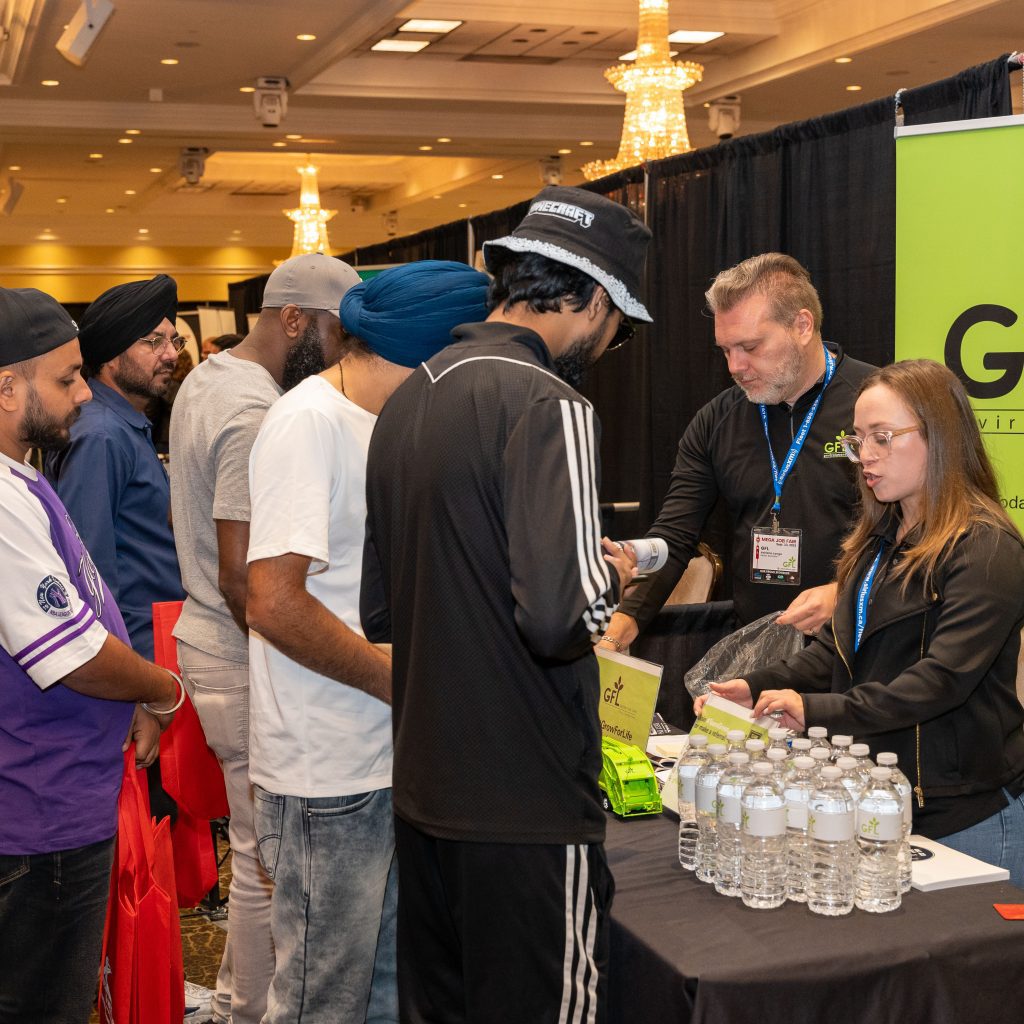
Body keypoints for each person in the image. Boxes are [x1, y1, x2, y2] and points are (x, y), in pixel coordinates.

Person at [360, 186, 649, 1024]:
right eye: (618, 325)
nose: (609, 344)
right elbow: (561, 620)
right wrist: (608, 580)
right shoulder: (550, 402)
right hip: (527, 800)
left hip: (426, 789)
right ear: (594, 301)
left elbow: (383, 612)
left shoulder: (406, 399)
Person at [245, 260, 490, 1024]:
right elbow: (273, 601)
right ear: (430, 354)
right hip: (326, 772)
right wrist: (400, 681)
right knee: (321, 1000)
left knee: (387, 992)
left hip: (389, 756)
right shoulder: (307, 424)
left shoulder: (392, 420)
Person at [698, 359, 1024, 886]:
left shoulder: (986, 548)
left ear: (940, 436)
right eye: (857, 439)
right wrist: (755, 687)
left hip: (967, 815)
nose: (865, 455)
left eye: (882, 437)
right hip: (885, 802)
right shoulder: (877, 541)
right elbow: (836, 651)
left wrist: (814, 710)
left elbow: (940, 681)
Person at [169, 253, 361, 1024]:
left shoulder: (209, 377)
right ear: (293, 320)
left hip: (211, 645)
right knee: (266, 866)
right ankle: (244, 1012)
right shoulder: (256, 410)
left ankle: (233, 1003)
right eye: (338, 334)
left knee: (256, 860)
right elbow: (243, 579)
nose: (346, 353)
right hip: (240, 652)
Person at [0, 286, 182, 1023]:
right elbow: (72, 654)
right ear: (7, 389)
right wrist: (160, 688)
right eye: (68, 377)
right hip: (37, 811)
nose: (83, 394)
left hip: (56, 793)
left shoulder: (22, 474)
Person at [600, 253, 875, 656]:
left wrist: (845, 594)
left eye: (749, 346)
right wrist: (621, 625)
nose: (735, 366)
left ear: (802, 326)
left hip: (859, 647)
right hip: (758, 654)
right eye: (726, 350)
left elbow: (925, 537)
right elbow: (676, 536)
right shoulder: (717, 421)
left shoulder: (875, 403)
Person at [45, 274, 186, 658]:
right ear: (110, 354)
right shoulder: (102, 435)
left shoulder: (123, 425)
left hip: (157, 635)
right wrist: (122, 670)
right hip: (136, 646)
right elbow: (89, 571)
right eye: (154, 341)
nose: (171, 355)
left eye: (174, 340)